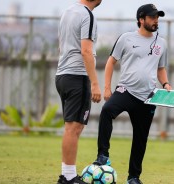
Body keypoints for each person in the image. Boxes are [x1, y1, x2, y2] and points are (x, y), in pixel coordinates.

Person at [93, 4, 172, 184]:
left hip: (149, 96)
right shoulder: (126, 38)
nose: (156, 20)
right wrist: (107, 88)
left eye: (157, 17)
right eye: (152, 17)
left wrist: (166, 83)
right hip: (125, 90)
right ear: (141, 19)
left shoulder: (162, 43)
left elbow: (161, 68)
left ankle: (133, 177)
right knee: (107, 111)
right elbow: (110, 62)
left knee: (140, 137)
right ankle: (103, 155)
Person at [55, 0, 102, 183]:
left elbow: (61, 46)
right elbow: (86, 51)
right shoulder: (87, 15)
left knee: (73, 127)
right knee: (73, 128)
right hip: (77, 76)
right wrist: (95, 84)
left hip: (63, 75)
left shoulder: (68, 12)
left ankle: (68, 175)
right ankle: (68, 177)